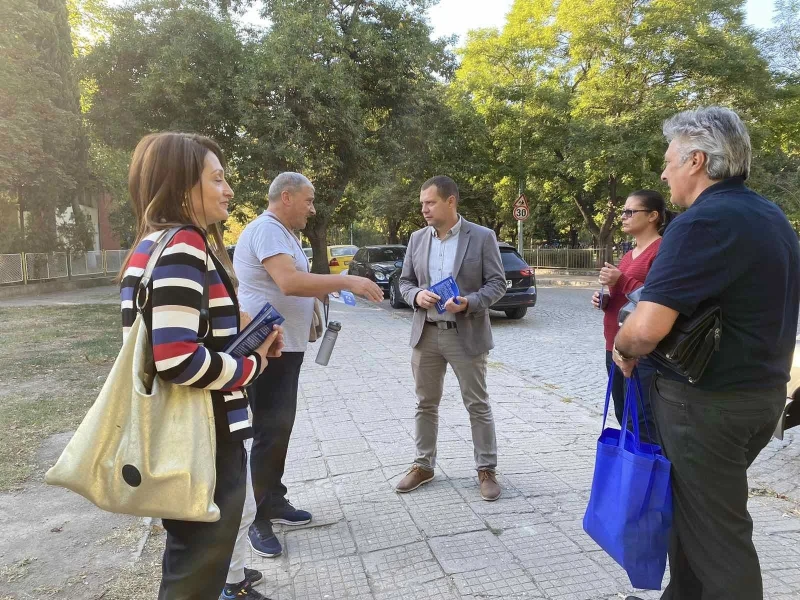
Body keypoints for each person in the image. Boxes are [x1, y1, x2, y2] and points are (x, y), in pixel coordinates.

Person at [613, 107, 800, 600]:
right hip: (759, 397)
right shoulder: (770, 215)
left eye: (669, 160)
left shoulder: (701, 223)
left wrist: (622, 343)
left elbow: (648, 327)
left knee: (720, 540)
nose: (663, 172)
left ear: (696, 160)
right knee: (694, 519)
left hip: (704, 406)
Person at [119, 132, 283, 600]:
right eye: (218, 178)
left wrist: (243, 335)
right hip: (203, 438)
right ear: (182, 185)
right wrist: (251, 364)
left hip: (178, 435)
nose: (228, 189)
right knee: (195, 575)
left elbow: (170, 338)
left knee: (190, 562)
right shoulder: (186, 245)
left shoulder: (150, 245)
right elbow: (177, 359)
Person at [233, 172, 383, 558]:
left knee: (280, 427)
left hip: (284, 346)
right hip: (266, 349)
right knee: (269, 429)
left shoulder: (283, 234)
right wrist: (345, 282)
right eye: (309, 200)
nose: (312, 209)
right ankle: (257, 520)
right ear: (287, 197)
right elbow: (289, 282)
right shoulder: (267, 229)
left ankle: (275, 501)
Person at [396, 176, 507, 501]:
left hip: (466, 333)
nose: (424, 209)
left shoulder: (482, 237)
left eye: (430, 203)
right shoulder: (417, 239)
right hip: (427, 334)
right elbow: (404, 282)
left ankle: (486, 470)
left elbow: (497, 284)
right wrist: (416, 295)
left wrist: (470, 302)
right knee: (425, 404)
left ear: (451, 201)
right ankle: (423, 465)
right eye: (422, 204)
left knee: (477, 404)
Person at [592, 190, 671, 442]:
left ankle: (646, 475)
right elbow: (624, 299)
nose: (623, 217)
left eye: (630, 211)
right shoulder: (628, 255)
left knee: (641, 421)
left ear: (652, 216)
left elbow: (655, 298)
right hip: (613, 344)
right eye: (623, 212)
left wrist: (621, 279)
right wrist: (604, 300)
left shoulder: (661, 251)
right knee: (623, 414)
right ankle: (631, 473)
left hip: (639, 351)